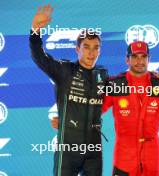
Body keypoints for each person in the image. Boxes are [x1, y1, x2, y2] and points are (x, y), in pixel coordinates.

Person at [30, 4, 108, 176]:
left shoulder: (103, 75)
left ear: (100, 51)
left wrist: (147, 73)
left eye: (96, 48)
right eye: (86, 47)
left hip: (94, 151)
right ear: (77, 49)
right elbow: (40, 58)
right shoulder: (64, 70)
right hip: (68, 151)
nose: (91, 52)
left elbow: (123, 89)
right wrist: (35, 31)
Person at [101, 41, 159, 176]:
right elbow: (95, 109)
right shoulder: (115, 84)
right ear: (127, 60)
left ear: (149, 59)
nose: (139, 61)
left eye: (143, 57)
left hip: (151, 155)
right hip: (124, 155)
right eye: (135, 57)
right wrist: (68, 119)